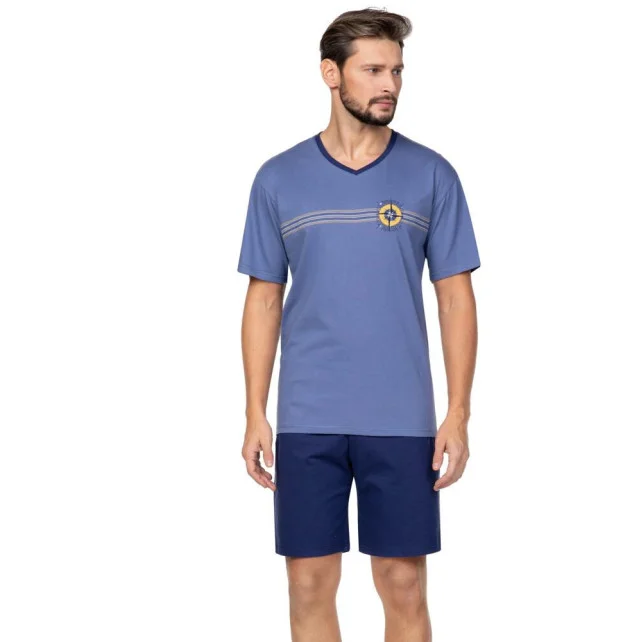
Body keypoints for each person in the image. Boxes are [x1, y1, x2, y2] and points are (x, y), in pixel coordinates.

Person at [237, 8, 480, 641]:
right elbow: (263, 300)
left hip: (401, 418)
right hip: (307, 416)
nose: (389, 85)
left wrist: (458, 413)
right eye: (373, 70)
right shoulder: (278, 178)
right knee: (308, 583)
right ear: (330, 74)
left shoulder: (432, 174)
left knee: (403, 583)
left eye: (396, 71)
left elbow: (456, 299)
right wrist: (255, 411)